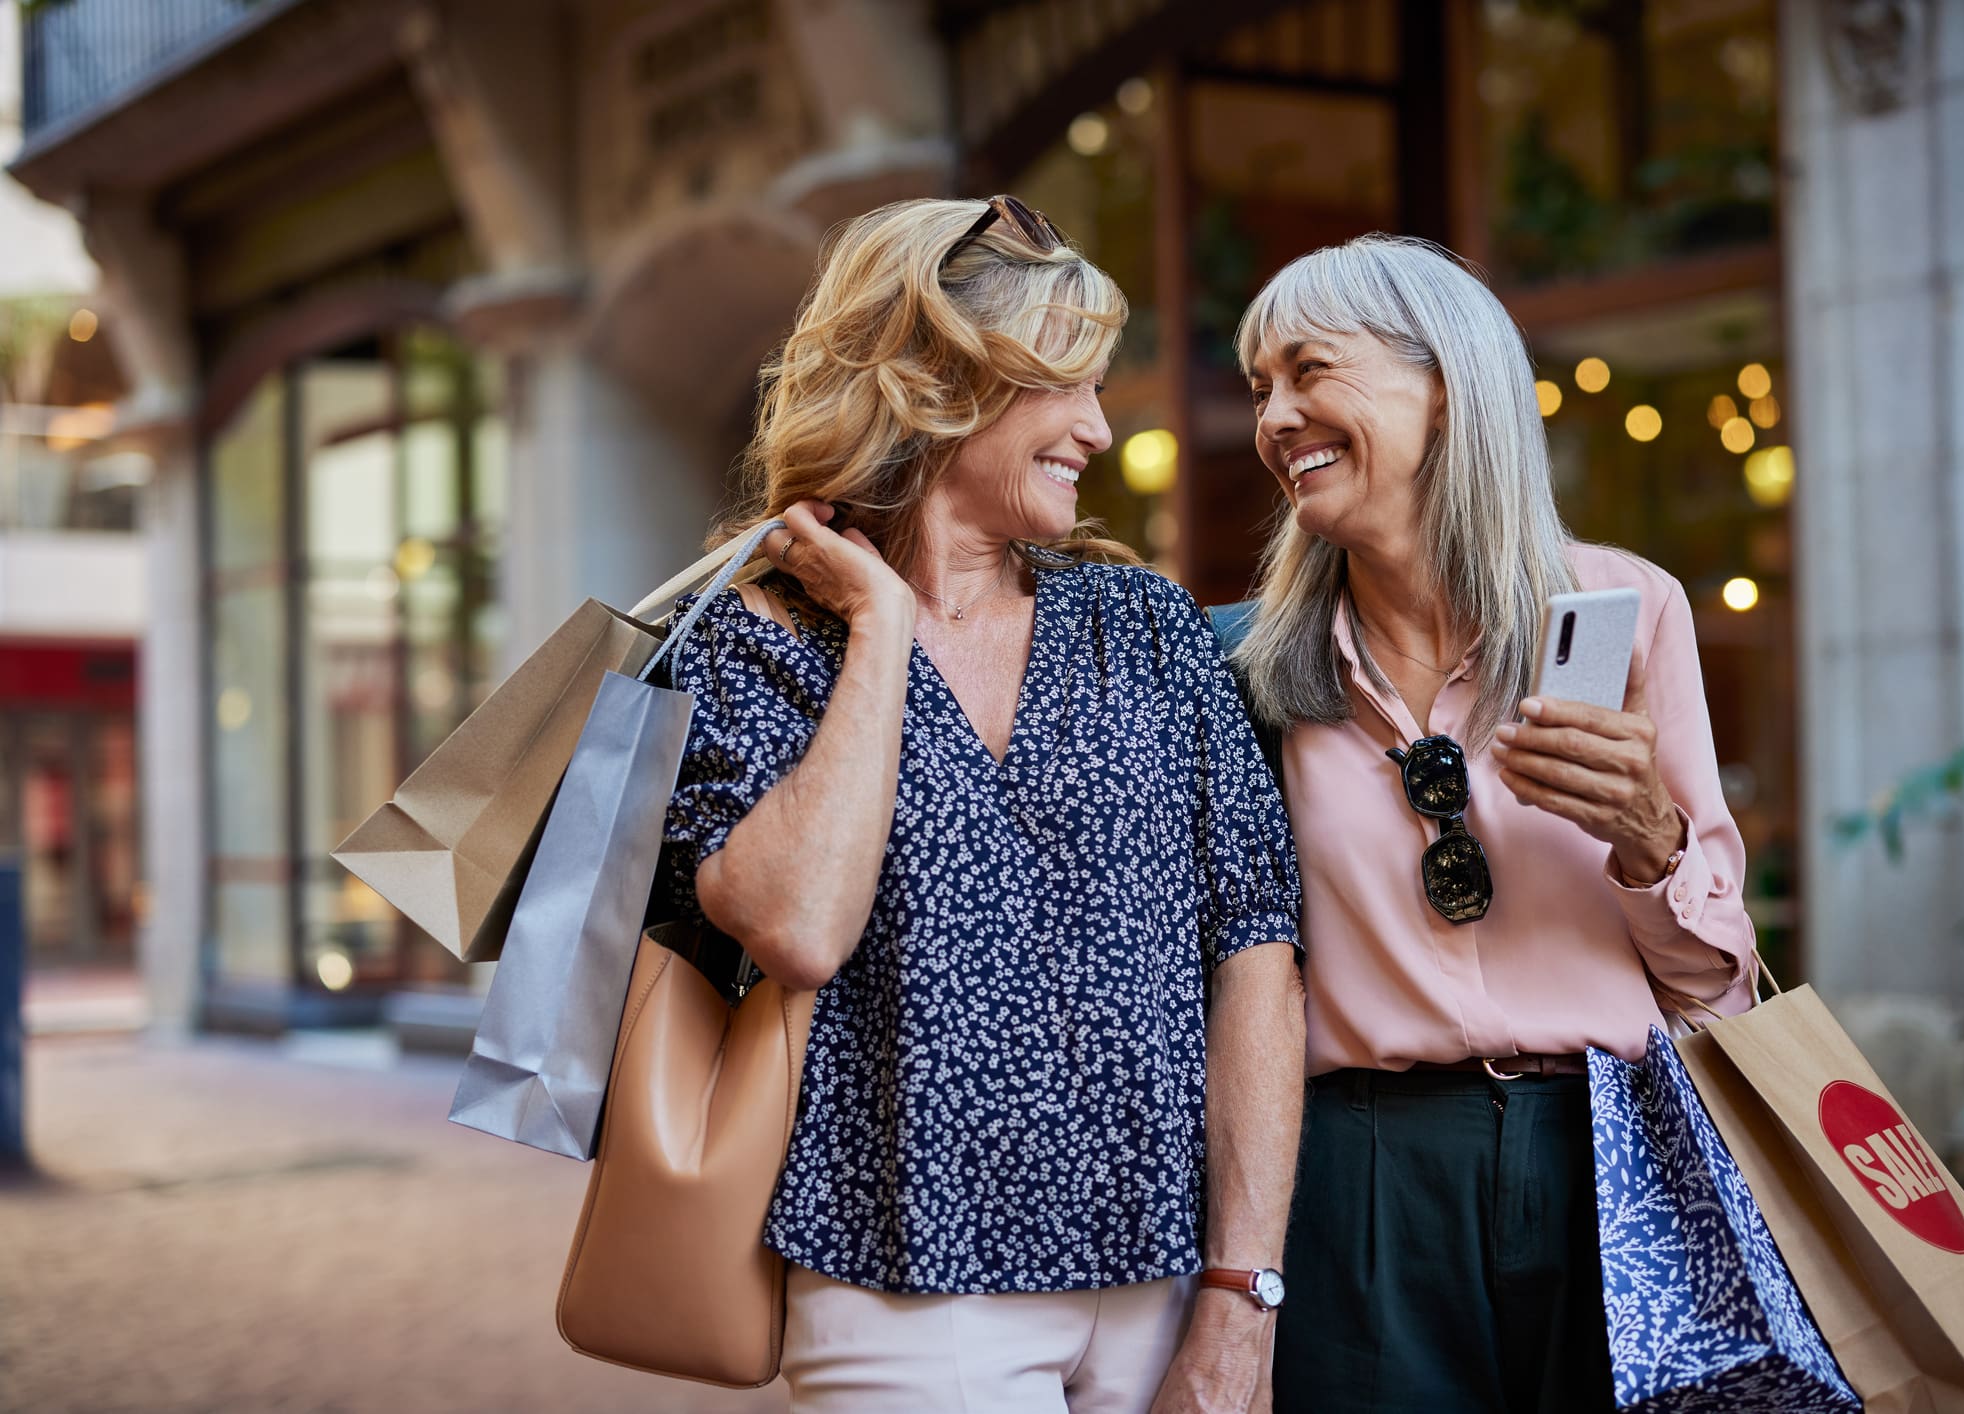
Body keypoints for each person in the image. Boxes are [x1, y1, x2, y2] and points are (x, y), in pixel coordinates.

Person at [657, 197, 1306, 1414]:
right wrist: (883, 633)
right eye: (1069, 388)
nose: (1103, 432)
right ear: (940, 382)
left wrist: (1243, 1291)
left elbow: (1256, 960)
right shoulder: (756, 645)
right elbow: (795, 926)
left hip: (1165, 1281)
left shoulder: (1144, 626)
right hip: (904, 1279)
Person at [1212, 234, 1759, 1414]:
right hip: (1360, 1174)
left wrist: (1652, 842)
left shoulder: (1623, 609)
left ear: (1445, 386)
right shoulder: (1249, 672)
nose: (1276, 416)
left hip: (1606, 1157)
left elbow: (1715, 990)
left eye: (1309, 370)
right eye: (1261, 387)